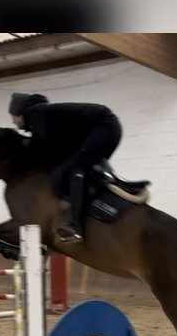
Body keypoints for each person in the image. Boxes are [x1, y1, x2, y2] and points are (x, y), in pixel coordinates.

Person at [9, 92, 122, 243]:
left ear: (19, 112)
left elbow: (40, 146)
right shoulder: (43, 116)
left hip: (105, 126)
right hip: (105, 128)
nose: (13, 121)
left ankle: (74, 224)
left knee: (75, 168)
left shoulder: (36, 112)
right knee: (70, 167)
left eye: (13, 116)